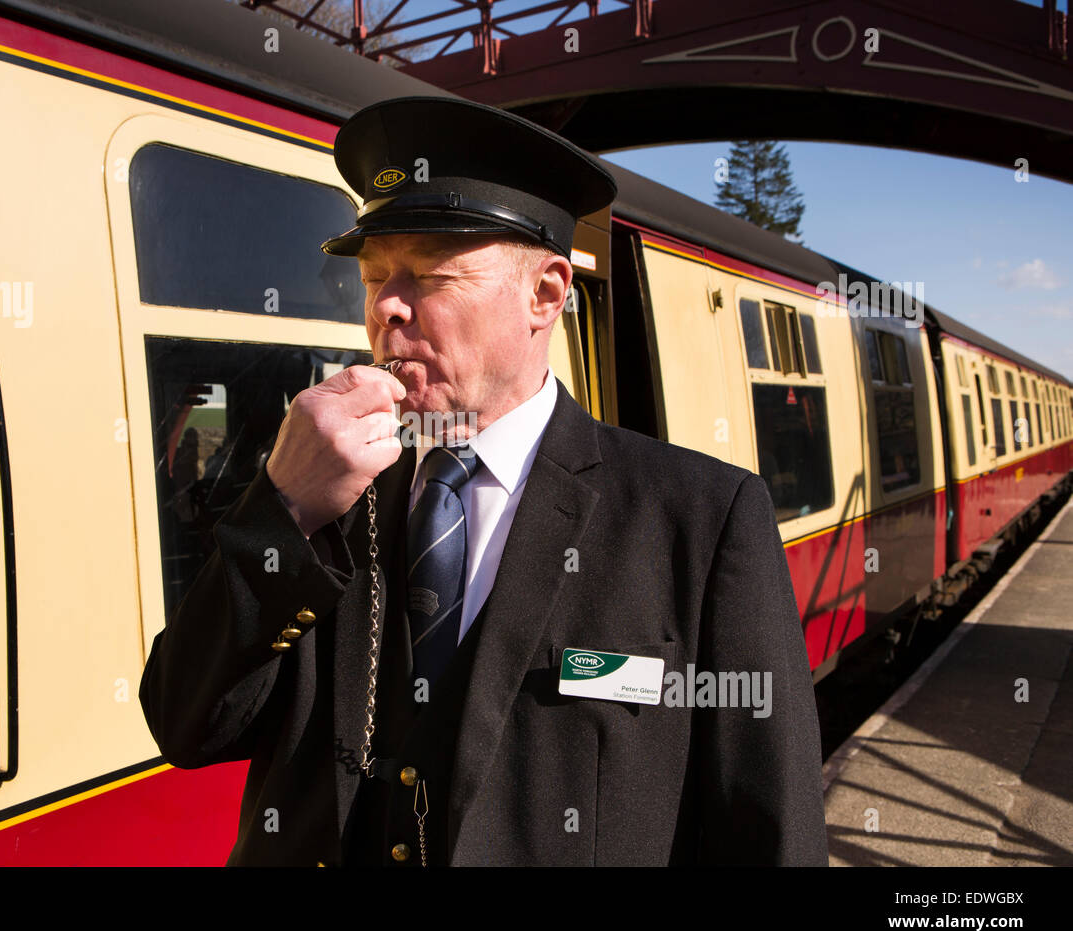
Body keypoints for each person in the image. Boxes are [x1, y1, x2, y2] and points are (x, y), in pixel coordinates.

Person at [139, 96, 829, 866]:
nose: (387, 309)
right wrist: (281, 510)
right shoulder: (322, 483)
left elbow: (768, 832)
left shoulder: (700, 519)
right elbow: (186, 724)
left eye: (429, 276)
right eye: (374, 278)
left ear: (546, 294)